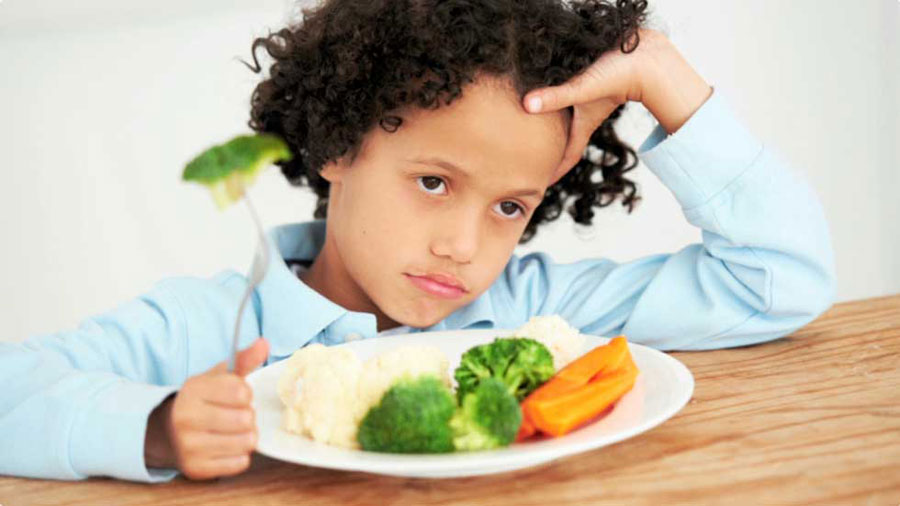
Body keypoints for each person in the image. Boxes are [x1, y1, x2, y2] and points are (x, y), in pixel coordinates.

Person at [0, 0, 835, 483]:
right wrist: (151, 427)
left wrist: (665, 80)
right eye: (433, 183)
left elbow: (778, 280)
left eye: (510, 206)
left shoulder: (533, 313)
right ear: (336, 144)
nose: (463, 248)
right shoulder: (208, 331)